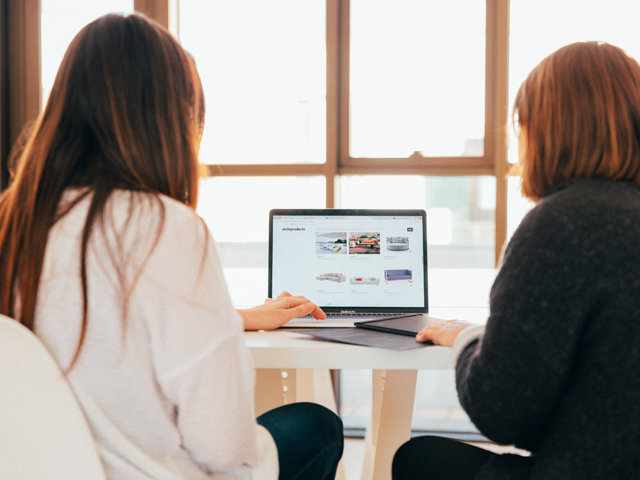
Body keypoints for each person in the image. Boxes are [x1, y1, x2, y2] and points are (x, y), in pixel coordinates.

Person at [0, 13, 342, 480]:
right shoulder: (165, 227)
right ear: (169, 119)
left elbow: (96, 325)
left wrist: (234, 317)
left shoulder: (15, 220)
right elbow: (223, 446)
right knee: (318, 425)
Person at [393, 41, 640, 479]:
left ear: (547, 130)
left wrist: (470, 340)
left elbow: (502, 414)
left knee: (417, 460)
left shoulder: (562, 224)